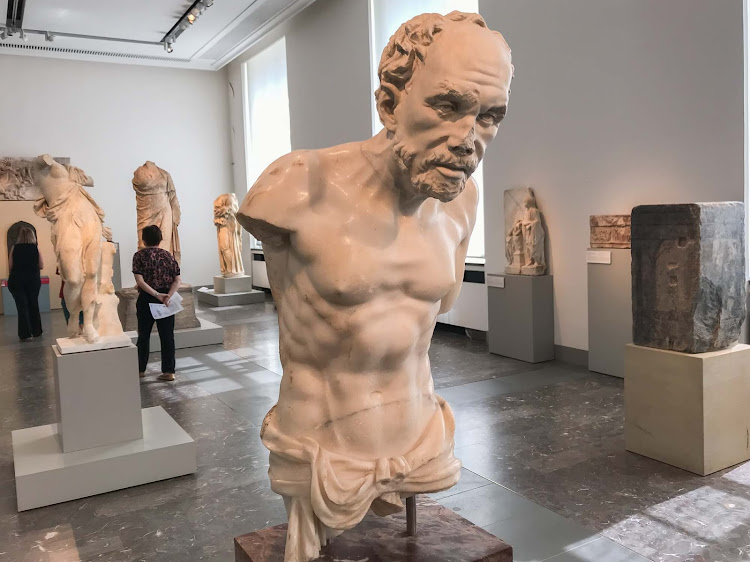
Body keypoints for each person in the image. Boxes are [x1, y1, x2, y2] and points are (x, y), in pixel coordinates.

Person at [237, 11, 513, 561]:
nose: (467, 139)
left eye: (489, 116)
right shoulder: (297, 187)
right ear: (389, 103)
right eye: (449, 105)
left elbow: (437, 308)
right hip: (319, 444)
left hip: (422, 437)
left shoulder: (462, 200)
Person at [132, 225, 180, 381]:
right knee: (167, 336)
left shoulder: (139, 256)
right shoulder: (168, 256)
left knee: (143, 335)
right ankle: (169, 371)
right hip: (166, 299)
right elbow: (177, 280)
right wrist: (167, 296)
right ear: (160, 239)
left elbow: (140, 281)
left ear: (144, 240)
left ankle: (140, 369)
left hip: (147, 299)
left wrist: (156, 294)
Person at [8, 226, 44, 341]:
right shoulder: (36, 248)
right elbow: (41, 265)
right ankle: (36, 331)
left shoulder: (14, 248)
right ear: (32, 236)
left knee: (22, 307)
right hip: (32, 280)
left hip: (16, 280)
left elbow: (10, 266)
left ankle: (25, 333)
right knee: (33, 304)